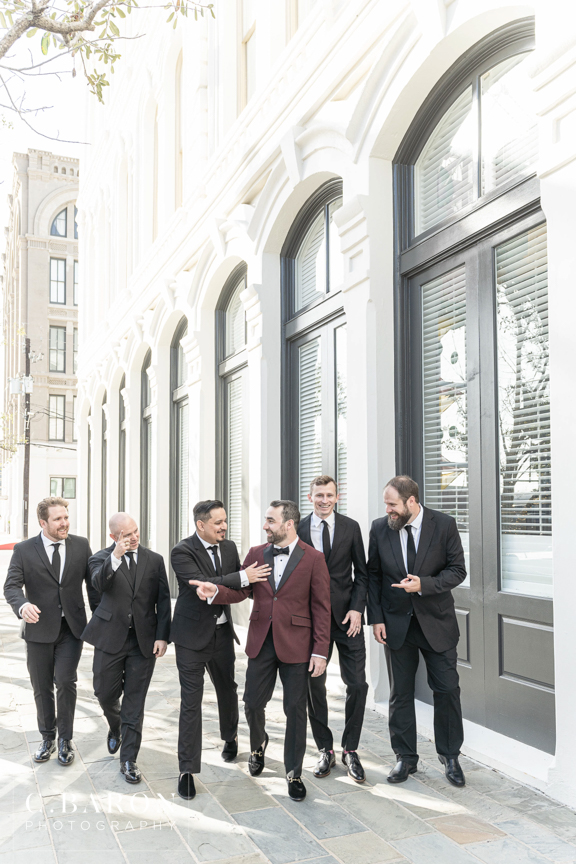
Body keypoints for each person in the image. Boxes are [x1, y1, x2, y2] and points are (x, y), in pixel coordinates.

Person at [191, 499, 331, 802]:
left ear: (288, 524)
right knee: (253, 704)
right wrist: (215, 592)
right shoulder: (256, 553)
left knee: (295, 710)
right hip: (261, 641)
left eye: (270, 521)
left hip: (298, 645)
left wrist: (320, 651)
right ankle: (258, 745)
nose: (265, 526)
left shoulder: (314, 558)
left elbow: (322, 608)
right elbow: (241, 591)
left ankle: (293, 772)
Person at [367, 475, 467, 787]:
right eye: (386, 504)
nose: (388, 510)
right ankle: (405, 757)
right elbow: (373, 576)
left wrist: (425, 584)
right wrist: (376, 619)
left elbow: (457, 571)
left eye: (392, 504)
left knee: (447, 689)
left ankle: (450, 756)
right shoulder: (379, 528)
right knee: (400, 693)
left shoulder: (444, 524)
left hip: (437, 623)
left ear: (412, 501)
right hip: (396, 625)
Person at [170, 500, 270, 801]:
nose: (224, 527)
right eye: (218, 522)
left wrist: (246, 584)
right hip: (190, 637)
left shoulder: (229, 548)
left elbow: (233, 589)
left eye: (225, 520)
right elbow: (201, 584)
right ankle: (187, 770)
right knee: (191, 701)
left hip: (223, 634)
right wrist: (242, 577)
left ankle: (230, 736)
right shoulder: (182, 551)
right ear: (201, 525)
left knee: (227, 689)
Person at [3, 497, 99, 765]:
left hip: (72, 629)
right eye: (58, 519)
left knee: (66, 681)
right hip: (38, 629)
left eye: (66, 517)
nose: (64, 523)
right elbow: (11, 586)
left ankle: (65, 739)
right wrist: (22, 605)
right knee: (41, 685)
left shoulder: (81, 545)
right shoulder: (24, 550)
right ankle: (47, 737)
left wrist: (101, 621)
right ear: (42, 523)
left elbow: (93, 587)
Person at [82, 512, 171, 784]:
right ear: (113, 536)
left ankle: (129, 759)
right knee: (103, 692)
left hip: (143, 642)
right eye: (126, 534)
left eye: (135, 531)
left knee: (135, 701)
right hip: (110, 638)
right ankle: (115, 725)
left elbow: (163, 600)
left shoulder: (154, 560)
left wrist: (162, 636)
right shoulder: (99, 559)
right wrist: (116, 557)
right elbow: (98, 585)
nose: (133, 537)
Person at [297, 475, 369, 783]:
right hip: (312, 622)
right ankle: (324, 748)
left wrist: (357, 608)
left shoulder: (351, 527)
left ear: (337, 498)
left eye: (329, 495)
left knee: (358, 685)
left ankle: (350, 749)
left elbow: (362, 574)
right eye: (319, 495)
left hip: (347, 619)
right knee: (315, 686)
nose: (324, 500)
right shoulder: (298, 529)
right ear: (310, 497)